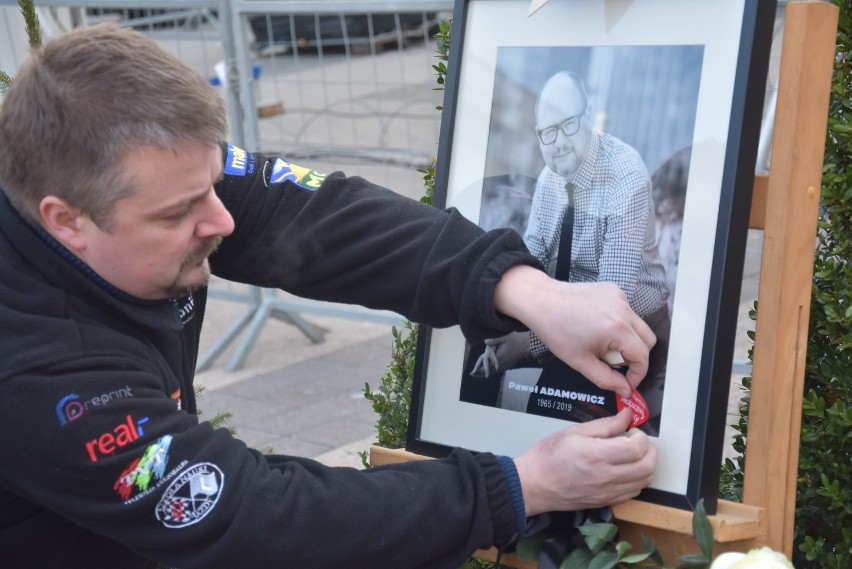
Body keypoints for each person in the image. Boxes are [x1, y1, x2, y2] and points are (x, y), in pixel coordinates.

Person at [0, 25, 657, 569]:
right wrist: (518, 486)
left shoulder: (124, 182)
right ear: (68, 221)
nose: (222, 221)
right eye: (180, 213)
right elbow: (252, 518)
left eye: (212, 182)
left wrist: (523, 288)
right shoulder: (38, 367)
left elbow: (314, 218)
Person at [468, 71, 671, 434]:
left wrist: (527, 343)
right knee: (478, 360)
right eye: (548, 131)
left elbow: (611, 304)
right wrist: (504, 330)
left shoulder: (626, 175)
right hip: (571, 320)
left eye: (568, 125)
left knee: (571, 430)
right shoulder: (551, 178)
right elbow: (530, 260)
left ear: (589, 115)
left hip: (633, 334)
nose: (558, 142)